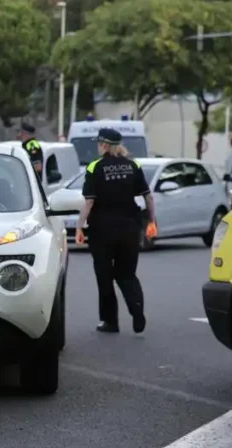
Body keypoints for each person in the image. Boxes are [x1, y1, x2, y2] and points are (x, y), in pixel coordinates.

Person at [74, 128, 156, 334]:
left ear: (104, 145)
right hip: (129, 227)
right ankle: (137, 311)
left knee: (104, 276)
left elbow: (89, 201)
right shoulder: (133, 165)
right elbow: (148, 197)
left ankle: (111, 322)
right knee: (127, 274)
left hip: (102, 230)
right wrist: (151, 221)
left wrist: (79, 226)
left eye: (98, 143)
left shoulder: (95, 167)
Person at [17, 123, 44, 197]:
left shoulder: (32, 145)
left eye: (19, 131)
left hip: (32, 185)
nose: (18, 134)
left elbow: (38, 167)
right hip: (28, 184)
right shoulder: (26, 145)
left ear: (24, 133)